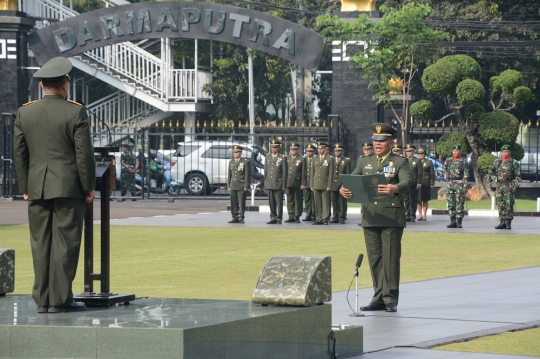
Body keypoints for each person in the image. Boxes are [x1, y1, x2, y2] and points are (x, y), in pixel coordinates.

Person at [13, 57, 95, 313]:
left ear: (42, 86)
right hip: (68, 187)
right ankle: (60, 299)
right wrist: (88, 186)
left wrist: (25, 186)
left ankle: (42, 300)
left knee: (40, 243)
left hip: (36, 186)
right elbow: (84, 154)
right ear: (65, 85)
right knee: (66, 243)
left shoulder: (24, 111)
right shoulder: (75, 111)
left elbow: (19, 152)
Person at [341, 123, 410, 312]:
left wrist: (395, 188)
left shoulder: (399, 161)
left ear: (391, 142)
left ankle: (390, 299)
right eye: (375, 140)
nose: (377, 144)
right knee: (375, 259)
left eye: (382, 140)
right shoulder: (365, 161)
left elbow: (407, 181)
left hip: (390, 216)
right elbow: (352, 179)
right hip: (370, 216)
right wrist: (345, 189)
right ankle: (378, 296)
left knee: (390, 259)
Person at [489, 144, 522, 229]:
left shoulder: (513, 162)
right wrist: (494, 178)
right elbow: (490, 170)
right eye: (503, 151)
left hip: (508, 185)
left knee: (508, 204)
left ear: (509, 152)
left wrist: (514, 187)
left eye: (506, 151)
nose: (504, 153)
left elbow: (518, 177)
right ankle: (502, 221)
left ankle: (508, 222)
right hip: (499, 185)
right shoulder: (497, 162)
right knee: (500, 204)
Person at [444, 144, 469, 228]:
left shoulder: (463, 161)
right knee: (450, 203)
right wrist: (446, 175)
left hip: (459, 183)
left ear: (460, 151)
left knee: (459, 203)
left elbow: (466, 173)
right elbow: (445, 169)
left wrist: (464, 185)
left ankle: (459, 222)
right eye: (454, 151)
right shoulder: (448, 160)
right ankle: (452, 221)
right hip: (450, 183)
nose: (455, 152)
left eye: (457, 151)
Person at [311, 141, 334, 225]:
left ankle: (325, 218)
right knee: (317, 202)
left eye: (322, 148)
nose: (320, 150)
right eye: (319, 148)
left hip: (325, 183)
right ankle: (318, 218)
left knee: (326, 202)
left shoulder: (329, 159)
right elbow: (312, 173)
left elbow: (331, 173)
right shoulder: (315, 159)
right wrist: (311, 184)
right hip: (316, 183)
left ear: (325, 149)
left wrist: (329, 185)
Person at [265, 139, 288, 224]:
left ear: (278, 148)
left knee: (279, 202)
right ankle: (272, 217)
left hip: (278, 183)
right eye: (272, 147)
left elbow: (285, 172)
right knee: (271, 202)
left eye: (275, 147)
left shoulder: (282, 157)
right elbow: (266, 171)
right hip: (270, 183)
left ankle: (279, 218)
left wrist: (284, 184)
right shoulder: (267, 157)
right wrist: (266, 183)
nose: (273, 149)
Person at [227, 145, 251, 224]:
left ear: (241, 153)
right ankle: (234, 217)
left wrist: (246, 185)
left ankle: (241, 217)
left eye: (237, 152)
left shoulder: (245, 162)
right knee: (233, 202)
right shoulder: (231, 162)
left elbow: (247, 174)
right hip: (233, 185)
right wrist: (228, 185)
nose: (235, 153)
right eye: (234, 152)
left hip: (241, 185)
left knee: (241, 202)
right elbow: (229, 175)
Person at [285, 142, 306, 223]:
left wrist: (303, 183)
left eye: (294, 149)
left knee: (298, 200)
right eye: (291, 149)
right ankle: (291, 216)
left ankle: (297, 216)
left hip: (297, 183)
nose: (292, 151)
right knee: (290, 200)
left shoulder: (301, 159)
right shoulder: (287, 158)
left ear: (297, 150)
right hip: (288, 182)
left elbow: (304, 172)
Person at [330, 143, 351, 224]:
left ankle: (342, 216)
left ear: (343, 152)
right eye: (335, 151)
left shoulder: (346, 161)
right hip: (333, 184)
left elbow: (348, 174)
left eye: (339, 151)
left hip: (342, 184)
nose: (337, 153)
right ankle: (335, 216)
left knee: (342, 201)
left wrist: (346, 184)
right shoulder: (331, 160)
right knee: (334, 201)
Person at [404, 144, 421, 222]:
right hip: (405, 182)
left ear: (413, 152)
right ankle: (407, 214)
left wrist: (419, 182)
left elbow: (420, 173)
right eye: (407, 151)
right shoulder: (404, 160)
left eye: (410, 151)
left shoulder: (417, 160)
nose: (408, 153)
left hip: (414, 182)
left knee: (413, 199)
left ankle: (412, 215)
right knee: (406, 199)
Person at [416, 148, 434, 221]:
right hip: (417, 183)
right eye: (419, 154)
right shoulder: (416, 162)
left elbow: (432, 173)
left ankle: (424, 215)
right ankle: (420, 215)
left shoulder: (428, 162)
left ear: (424, 154)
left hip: (425, 183)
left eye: (422, 154)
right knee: (418, 200)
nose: (420, 155)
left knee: (425, 200)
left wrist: (432, 183)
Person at [302, 144, 316, 222]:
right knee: (307, 199)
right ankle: (308, 214)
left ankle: (314, 214)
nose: (309, 153)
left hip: (313, 182)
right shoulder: (304, 159)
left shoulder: (316, 159)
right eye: (307, 151)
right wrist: (303, 183)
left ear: (314, 152)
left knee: (314, 200)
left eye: (310, 151)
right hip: (306, 183)